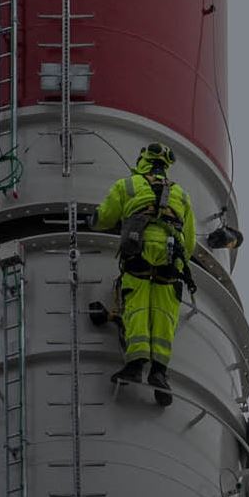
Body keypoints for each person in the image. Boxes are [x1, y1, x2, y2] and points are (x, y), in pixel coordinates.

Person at [92, 142, 196, 404]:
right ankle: (159, 372)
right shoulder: (181, 194)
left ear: (142, 160)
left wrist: (92, 220)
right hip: (171, 258)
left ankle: (136, 365)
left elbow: (106, 216)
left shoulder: (128, 185)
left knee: (137, 306)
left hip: (139, 250)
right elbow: (190, 241)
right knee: (164, 314)